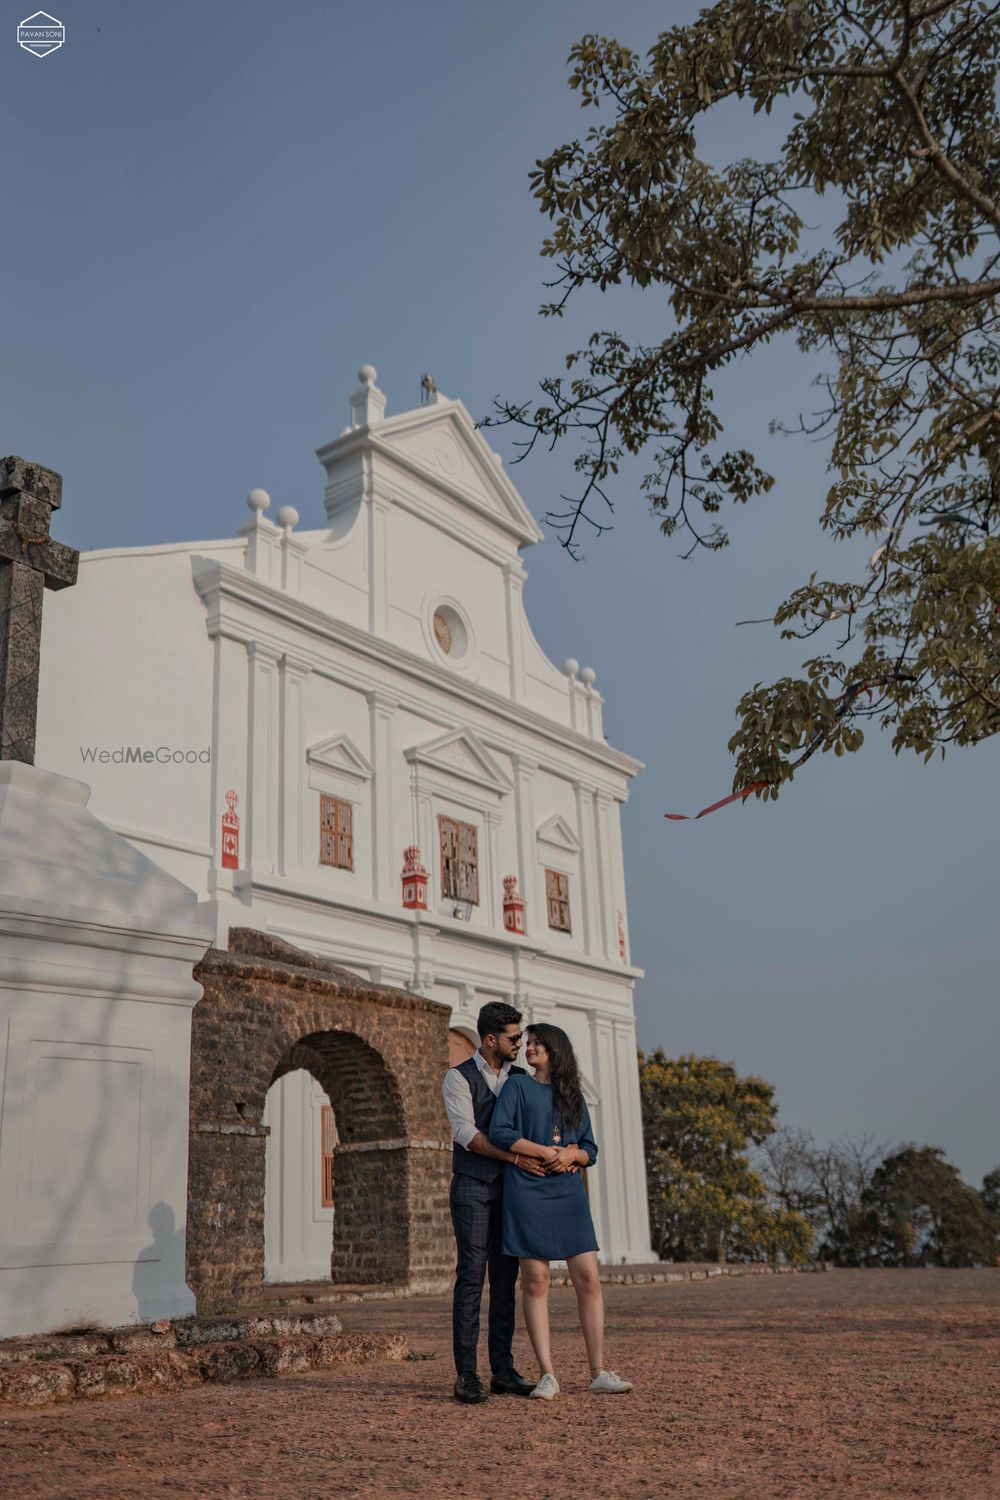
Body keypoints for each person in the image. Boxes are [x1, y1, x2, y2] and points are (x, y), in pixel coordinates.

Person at [488, 1023, 633, 1399]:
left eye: (538, 1044)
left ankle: (598, 1371)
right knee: (536, 1282)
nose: (530, 1048)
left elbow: (590, 1149)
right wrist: (544, 1152)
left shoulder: (573, 1096)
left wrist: (572, 1154)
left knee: (589, 1280)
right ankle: (547, 1375)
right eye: (528, 1043)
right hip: (526, 1191)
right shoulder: (517, 1087)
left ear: (556, 1051)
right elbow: (500, 1131)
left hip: (568, 1196)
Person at [441, 1001, 542, 1403]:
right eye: (514, 1038)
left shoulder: (521, 1078)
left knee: (505, 1280)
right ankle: (466, 1374)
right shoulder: (458, 1078)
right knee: (471, 1278)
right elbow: (466, 1133)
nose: (520, 1043)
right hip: (472, 1187)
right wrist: (514, 1156)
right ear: (489, 1039)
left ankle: (502, 1369)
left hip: (513, 1191)